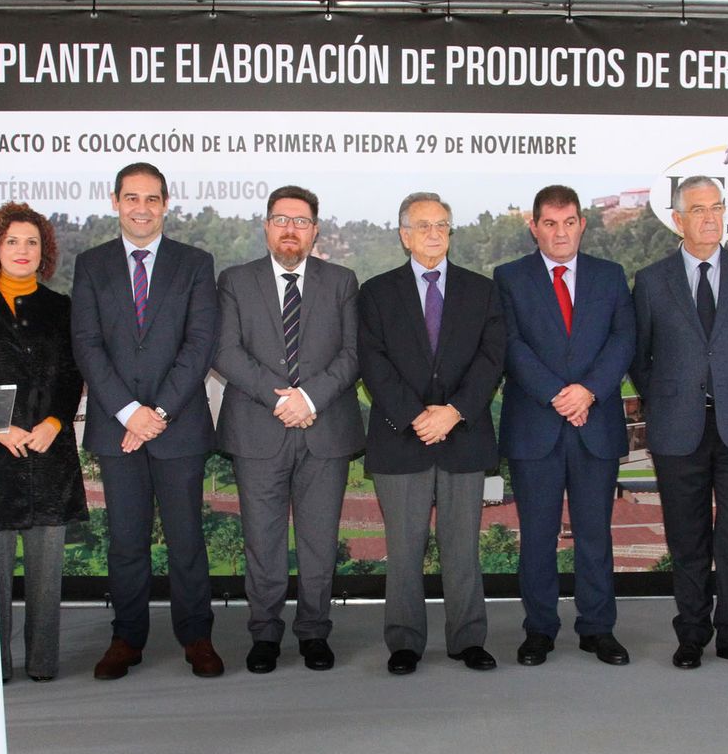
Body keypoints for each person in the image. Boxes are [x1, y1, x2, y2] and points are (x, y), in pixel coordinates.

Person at [71, 162, 221, 680]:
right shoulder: (91, 265)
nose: (141, 208)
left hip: (177, 427)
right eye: (131, 198)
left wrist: (156, 413)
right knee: (126, 541)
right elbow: (88, 346)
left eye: (152, 198)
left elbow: (200, 345)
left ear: (166, 204)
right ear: (115, 201)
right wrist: (129, 413)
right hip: (118, 430)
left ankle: (196, 635)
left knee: (186, 540)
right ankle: (127, 638)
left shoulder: (196, 263)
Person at [631, 176, 728, 671]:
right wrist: (669, 398)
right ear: (678, 220)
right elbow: (640, 357)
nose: (711, 217)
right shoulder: (652, 281)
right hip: (678, 428)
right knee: (687, 537)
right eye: (698, 210)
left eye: (718, 207)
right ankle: (692, 634)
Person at [214, 185, 362, 674]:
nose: (291, 229)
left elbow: (352, 355)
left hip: (326, 429)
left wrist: (310, 398)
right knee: (263, 539)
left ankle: (314, 632)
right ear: (267, 226)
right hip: (259, 428)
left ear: (315, 229)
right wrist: (282, 398)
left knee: (320, 542)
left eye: (301, 221)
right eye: (281, 219)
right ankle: (265, 634)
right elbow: (227, 352)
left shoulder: (342, 281)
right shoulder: (235, 280)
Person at [358, 192, 506, 675]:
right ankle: (404, 641)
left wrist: (455, 411)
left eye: (442, 224)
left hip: (463, 436)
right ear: (404, 235)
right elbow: (372, 362)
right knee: (404, 548)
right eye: (422, 226)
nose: (434, 233)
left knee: (463, 546)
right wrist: (418, 415)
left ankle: (468, 639)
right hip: (402, 438)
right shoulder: (376, 293)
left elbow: (492, 359)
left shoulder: (481, 290)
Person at [495, 184, 636, 667]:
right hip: (536, 424)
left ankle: (598, 629)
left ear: (582, 224)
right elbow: (511, 346)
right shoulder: (509, 278)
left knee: (596, 533)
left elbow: (624, 341)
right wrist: (558, 393)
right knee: (537, 535)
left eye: (569, 221)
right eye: (549, 223)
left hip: (594, 423)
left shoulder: (611, 276)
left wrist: (588, 391)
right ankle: (539, 630)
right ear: (534, 226)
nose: (560, 232)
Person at [0, 202, 88, 682]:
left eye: (32, 242)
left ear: (44, 251)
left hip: (50, 450)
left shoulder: (62, 307)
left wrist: (54, 421)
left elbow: (73, 372)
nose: (22, 250)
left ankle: (43, 664)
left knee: (47, 576)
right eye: (12, 241)